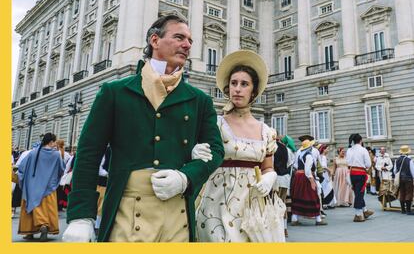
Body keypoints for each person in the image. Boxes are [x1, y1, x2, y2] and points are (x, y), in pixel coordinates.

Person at [62, 14, 224, 242]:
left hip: (177, 213)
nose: (187, 45)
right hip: (127, 212)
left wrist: (186, 178)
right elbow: (89, 153)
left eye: (190, 40)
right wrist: (81, 216)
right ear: (155, 41)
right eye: (179, 37)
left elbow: (216, 150)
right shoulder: (114, 92)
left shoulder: (199, 100)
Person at [196, 50, 282, 242]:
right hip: (217, 203)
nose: (237, 88)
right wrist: (195, 153)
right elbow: (202, 158)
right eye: (234, 83)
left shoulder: (266, 131)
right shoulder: (215, 124)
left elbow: (267, 167)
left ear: (253, 91)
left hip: (253, 204)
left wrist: (270, 177)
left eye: (244, 84)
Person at [17, 133, 65, 241]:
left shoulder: (33, 153)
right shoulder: (56, 154)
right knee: (47, 209)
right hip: (48, 187)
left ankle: (30, 231)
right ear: (51, 142)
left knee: (30, 207)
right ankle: (44, 225)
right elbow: (61, 169)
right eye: (54, 142)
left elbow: (22, 168)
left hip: (32, 186)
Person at [290, 137, 327, 226]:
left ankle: (294, 219)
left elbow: (295, 166)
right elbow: (307, 170)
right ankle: (318, 219)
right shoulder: (309, 155)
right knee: (313, 197)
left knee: (298, 197)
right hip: (305, 177)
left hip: (298, 177)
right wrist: (312, 181)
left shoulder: (299, 154)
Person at [346, 133, 374, 222]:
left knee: (357, 192)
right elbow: (368, 164)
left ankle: (365, 210)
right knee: (359, 193)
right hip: (361, 173)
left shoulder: (349, 150)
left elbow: (348, 162)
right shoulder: (363, 150)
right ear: (361, 140)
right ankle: (358, 214)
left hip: (352, 173)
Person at [393, 145, 414, 215]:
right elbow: (412, 171)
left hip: (400, 179)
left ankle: (403, 210)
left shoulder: (397, 160)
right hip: (408, 179)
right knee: (409, 193)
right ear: (407, 152)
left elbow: (395, 171)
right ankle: (408, 210)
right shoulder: (409, 160)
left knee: (402, 193)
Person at [318, 144, 336, 209]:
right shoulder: (323, 157)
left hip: (323, 174)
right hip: (324, 174)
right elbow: (323, 166)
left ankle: (326, 203)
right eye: (327, 149)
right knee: (328, 188)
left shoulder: (320, 156)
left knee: (325, 188)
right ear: (323, 149)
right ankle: (327, 203)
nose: (328, 150)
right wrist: (329, 170)